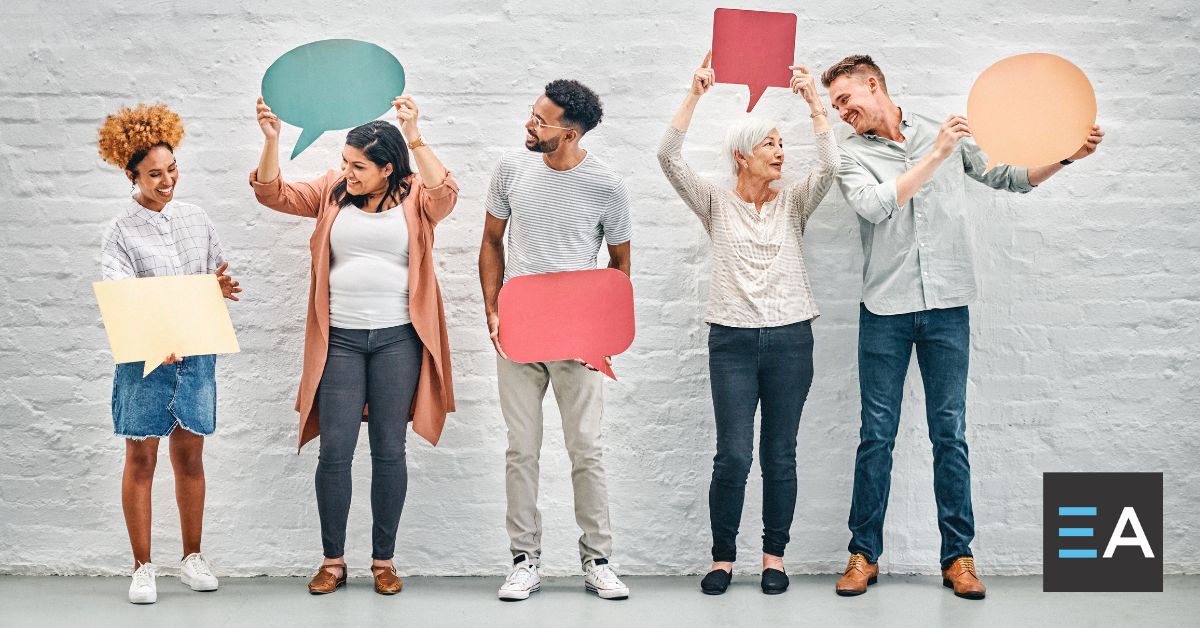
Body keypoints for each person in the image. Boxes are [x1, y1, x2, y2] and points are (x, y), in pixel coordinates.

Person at [822, 55, 1104, 600]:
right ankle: (863, 554)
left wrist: (1066, 157)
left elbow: (1007, 178)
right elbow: (876, 206)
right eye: (834, 106)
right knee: (875, 437)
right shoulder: (850, 155)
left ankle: (959, 558)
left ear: (874, 84)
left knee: (949, 434)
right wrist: (936, 157)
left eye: (845, 100)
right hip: (884, 309)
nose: (841, 113)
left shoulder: (940, 129)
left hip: (949, 305)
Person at [250, 95, 458, 595]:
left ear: (388, 168)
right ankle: (333, 561)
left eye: (359, 166)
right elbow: (272, 193)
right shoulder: (331, 191)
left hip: (398, 341)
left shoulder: (415, 196)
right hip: (338, 340)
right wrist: (273, 141)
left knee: (389, 450)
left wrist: (414, 133)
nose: (347, 172)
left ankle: (383, 562)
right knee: (335, 452)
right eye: (344, 163)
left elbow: (447, 193)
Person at [658, 52, 837, 595]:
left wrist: (814, 104)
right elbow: (668, 158)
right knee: (733, 454)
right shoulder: (714, 202)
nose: (780, 153)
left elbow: (829, 167)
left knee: (779, 454)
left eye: (781, 144)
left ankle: (774, 558)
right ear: (742, 156)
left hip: (790, 341)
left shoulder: (795, 204)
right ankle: (722, 559)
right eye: (769, 144)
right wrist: (695, 93)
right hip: (731, 343)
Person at [479, 79, 633, 601]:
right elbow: (491, 242)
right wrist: (492, 311)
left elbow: (619, 264)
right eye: (532, 113)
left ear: (568, 134)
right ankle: (524, 561)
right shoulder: (510, 170)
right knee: (521, 450)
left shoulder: (605, 185)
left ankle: (598, 561)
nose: (529, 124)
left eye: (540, 121)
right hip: (519, 333)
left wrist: (606, 330)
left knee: (586, 450)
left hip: (579, 338)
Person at [97, 102, 242, 604]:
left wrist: (217, 287)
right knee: (141, 458)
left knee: (191, 456)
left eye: (172, 169)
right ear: (130, 174)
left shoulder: (195, 219)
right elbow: (122, 299)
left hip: (197, 354)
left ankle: (192, 557)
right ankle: (143, 566)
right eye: (154, 174)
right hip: (145, 361)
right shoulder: (120, 232)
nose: (167, 181)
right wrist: (158, 338)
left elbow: (208, 275)